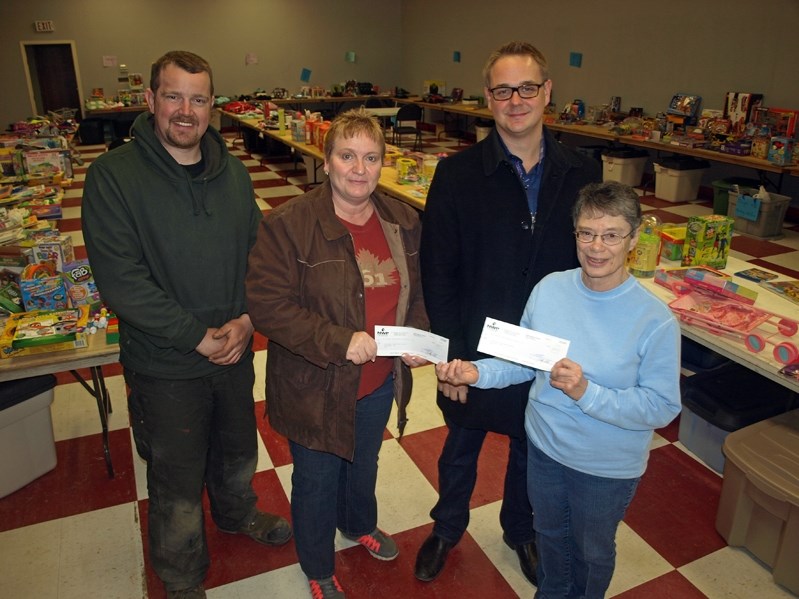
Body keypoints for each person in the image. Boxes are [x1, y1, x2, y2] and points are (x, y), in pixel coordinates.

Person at [81, 50, 291, 599]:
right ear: (150, 100)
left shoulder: (234, 175)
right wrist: (198, 338)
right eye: (172, 95)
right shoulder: (113, 178)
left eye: (198, 98)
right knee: (175, 477)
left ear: (212, 107)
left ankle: (236, 513)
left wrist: (247, 320)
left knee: (237, 448)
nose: (185, 110)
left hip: (234, 350)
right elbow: (122, 283)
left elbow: (258, 258)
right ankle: (180, 576)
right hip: (164, 363)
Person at [436, 181, 682, 598]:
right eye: (586, 233)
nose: (596, 247)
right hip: (545, 448)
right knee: (549, 534)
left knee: (591, 552)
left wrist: (587, 391)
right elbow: (521, 362)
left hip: (604, 466)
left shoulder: (654, 320)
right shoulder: (550, 289)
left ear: (634, 238)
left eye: (611, 235)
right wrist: (475, 374)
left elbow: (661, 407)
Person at [415, 41, 601, 585]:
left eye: (527, 88)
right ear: (488, 98)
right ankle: (447, 526)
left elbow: (591, 260)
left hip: (544, 346)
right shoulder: (457, 174)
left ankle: (520, 529)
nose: (515, 100)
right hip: (475, 342)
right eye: (502, 90)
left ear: (547, 92)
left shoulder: (582, 170)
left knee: (530, 444)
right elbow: (438, 271)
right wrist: (450, 356)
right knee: (461, 443)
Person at [245, 108, 429, 599]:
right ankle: (318, 565)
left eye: (370, 158)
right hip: (315, 385)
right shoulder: (289, 225)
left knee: (363, 463)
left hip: (375, 382)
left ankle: (358, 525)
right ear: (325, 162)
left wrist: (417, 337)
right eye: (347, 156)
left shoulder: (401, 221)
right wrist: (339, 339)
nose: (358, 169)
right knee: (317, 479)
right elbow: (266, 305)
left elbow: (416, 291)